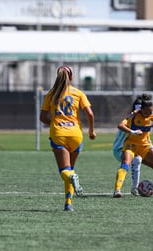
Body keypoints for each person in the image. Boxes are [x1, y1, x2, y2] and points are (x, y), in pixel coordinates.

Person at [40, 65, 96, 211]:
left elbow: (42, 117)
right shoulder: (78, 93)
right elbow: (90, 114)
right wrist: (91, 131)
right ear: (71, 77)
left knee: (65, 171)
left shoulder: (51, 94)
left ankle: (71, 181)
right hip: (76, 135)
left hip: (59, 135)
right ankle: (68, 203)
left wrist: (54, 123)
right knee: (71, 168)